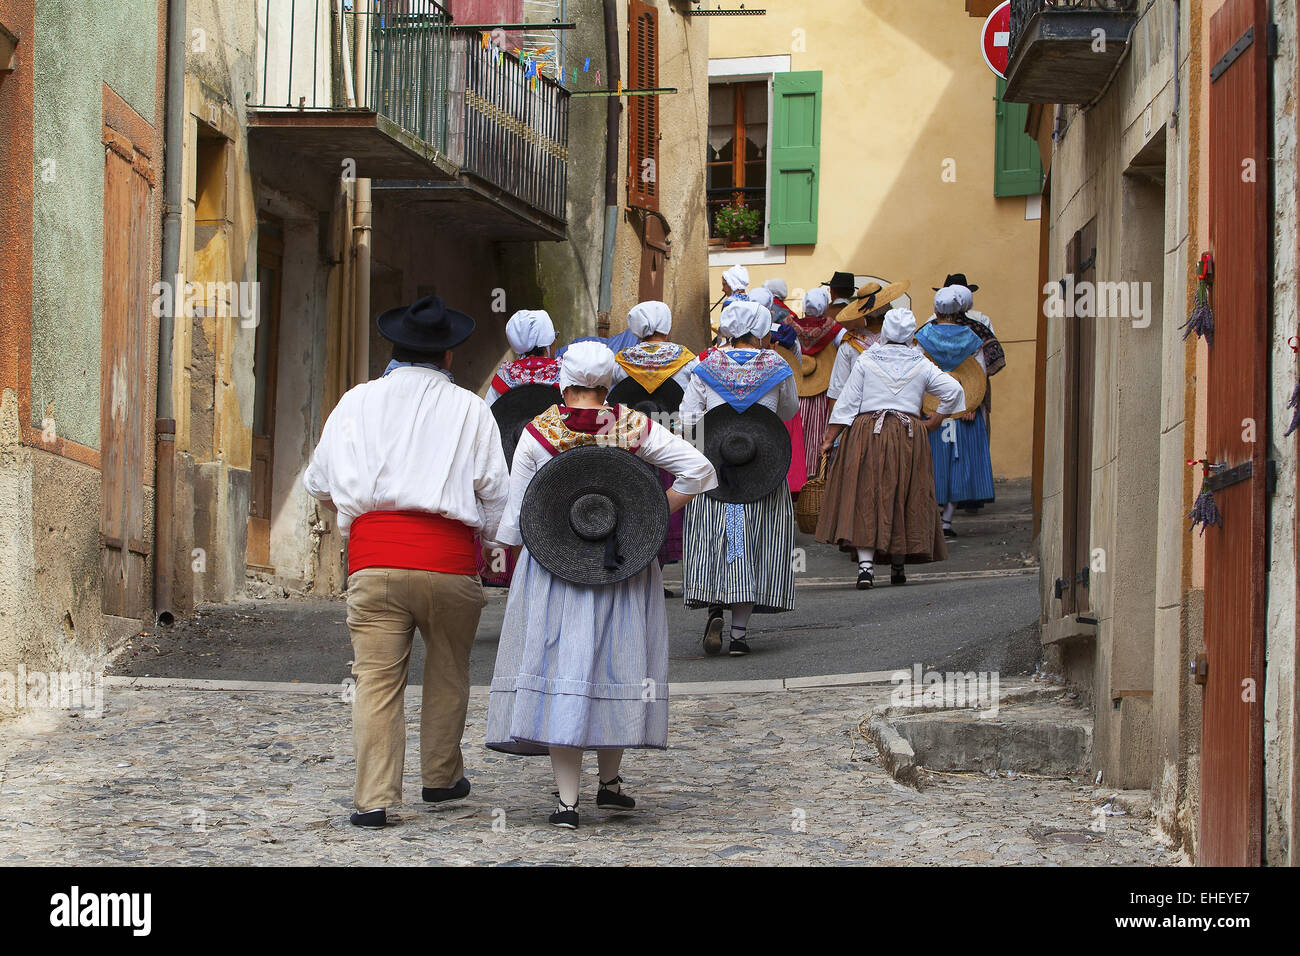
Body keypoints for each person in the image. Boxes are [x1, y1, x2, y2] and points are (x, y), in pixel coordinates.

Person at [485, 341, 717, 829]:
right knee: (617, 663)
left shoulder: (536, 435)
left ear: (562, 383)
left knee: (561, 667)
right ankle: (609, 786)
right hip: (622, 566)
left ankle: (567, 802)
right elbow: (699, 470)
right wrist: (645, 516)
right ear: (608, 384)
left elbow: (514, 520)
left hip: (553, 568)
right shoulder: (630, 425)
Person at [303, 295, 510, 829]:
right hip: (447, 564)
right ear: (447, 357)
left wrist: (362, 515)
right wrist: (480, 538)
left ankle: (373, 800)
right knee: (448, 672)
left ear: (392, 350)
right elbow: (494, 493)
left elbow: (320, 486)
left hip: (373, 563)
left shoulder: (354, 402)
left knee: (375, 680)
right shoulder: (470, 407)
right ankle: (440, 778)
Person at [681, 300, 799, 656]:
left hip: (716, 465)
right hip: (761, 464)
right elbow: (789, 410)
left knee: (715, 539)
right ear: (761, 329)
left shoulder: (706, 366)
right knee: (752, 544)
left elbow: (687, 421)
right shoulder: (777, 365)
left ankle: (715, 606)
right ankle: (739, 635)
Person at [816, 309, 965, 589]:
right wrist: (934, 420)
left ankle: (866, 568)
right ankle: (898, 566)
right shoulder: (921, 363)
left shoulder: (867, 359)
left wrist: (830, 437)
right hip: (909, 433)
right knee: (903, 492)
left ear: (885, 332)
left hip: (867, 432)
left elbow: (847, 402)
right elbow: (953, 391)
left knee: (866, 495)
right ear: (910, 335)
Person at [610, 300, 699, 569]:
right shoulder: (687, 360)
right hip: (672, 438)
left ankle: (643, 565)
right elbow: (693, 406)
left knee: (636, 499)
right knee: (670, 496)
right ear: (667, 325)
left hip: (633, 440)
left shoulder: (621, 362)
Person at [917, 288, 997, 537]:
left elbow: (917, 371)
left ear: (937, 310)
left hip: (932, 407)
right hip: (963, 407)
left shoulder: (922, 335)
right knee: (959, 463)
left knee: (931, 463)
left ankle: (931, 516)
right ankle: (947, 520)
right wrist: (971, 404)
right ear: (959, 310)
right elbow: (979, 373)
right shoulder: (972, 337)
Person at [751, 287, 807, 494]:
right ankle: (789, 484)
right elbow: (797, 363)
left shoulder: (742, 335)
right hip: (780, 393)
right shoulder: (786, 334)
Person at [789, 286, 846, 479]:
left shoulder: (790, 326)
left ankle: (797, 472)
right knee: (818, 432)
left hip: (797, 386)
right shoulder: (835, 329)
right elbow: (845, 348)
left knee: (798, 432)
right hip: (822, 388)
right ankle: (816, 474)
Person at [485, 309, 560, 407]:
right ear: (548, 343)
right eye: (555, 336)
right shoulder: (565, 374)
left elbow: (488, 413)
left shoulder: (504, 377)